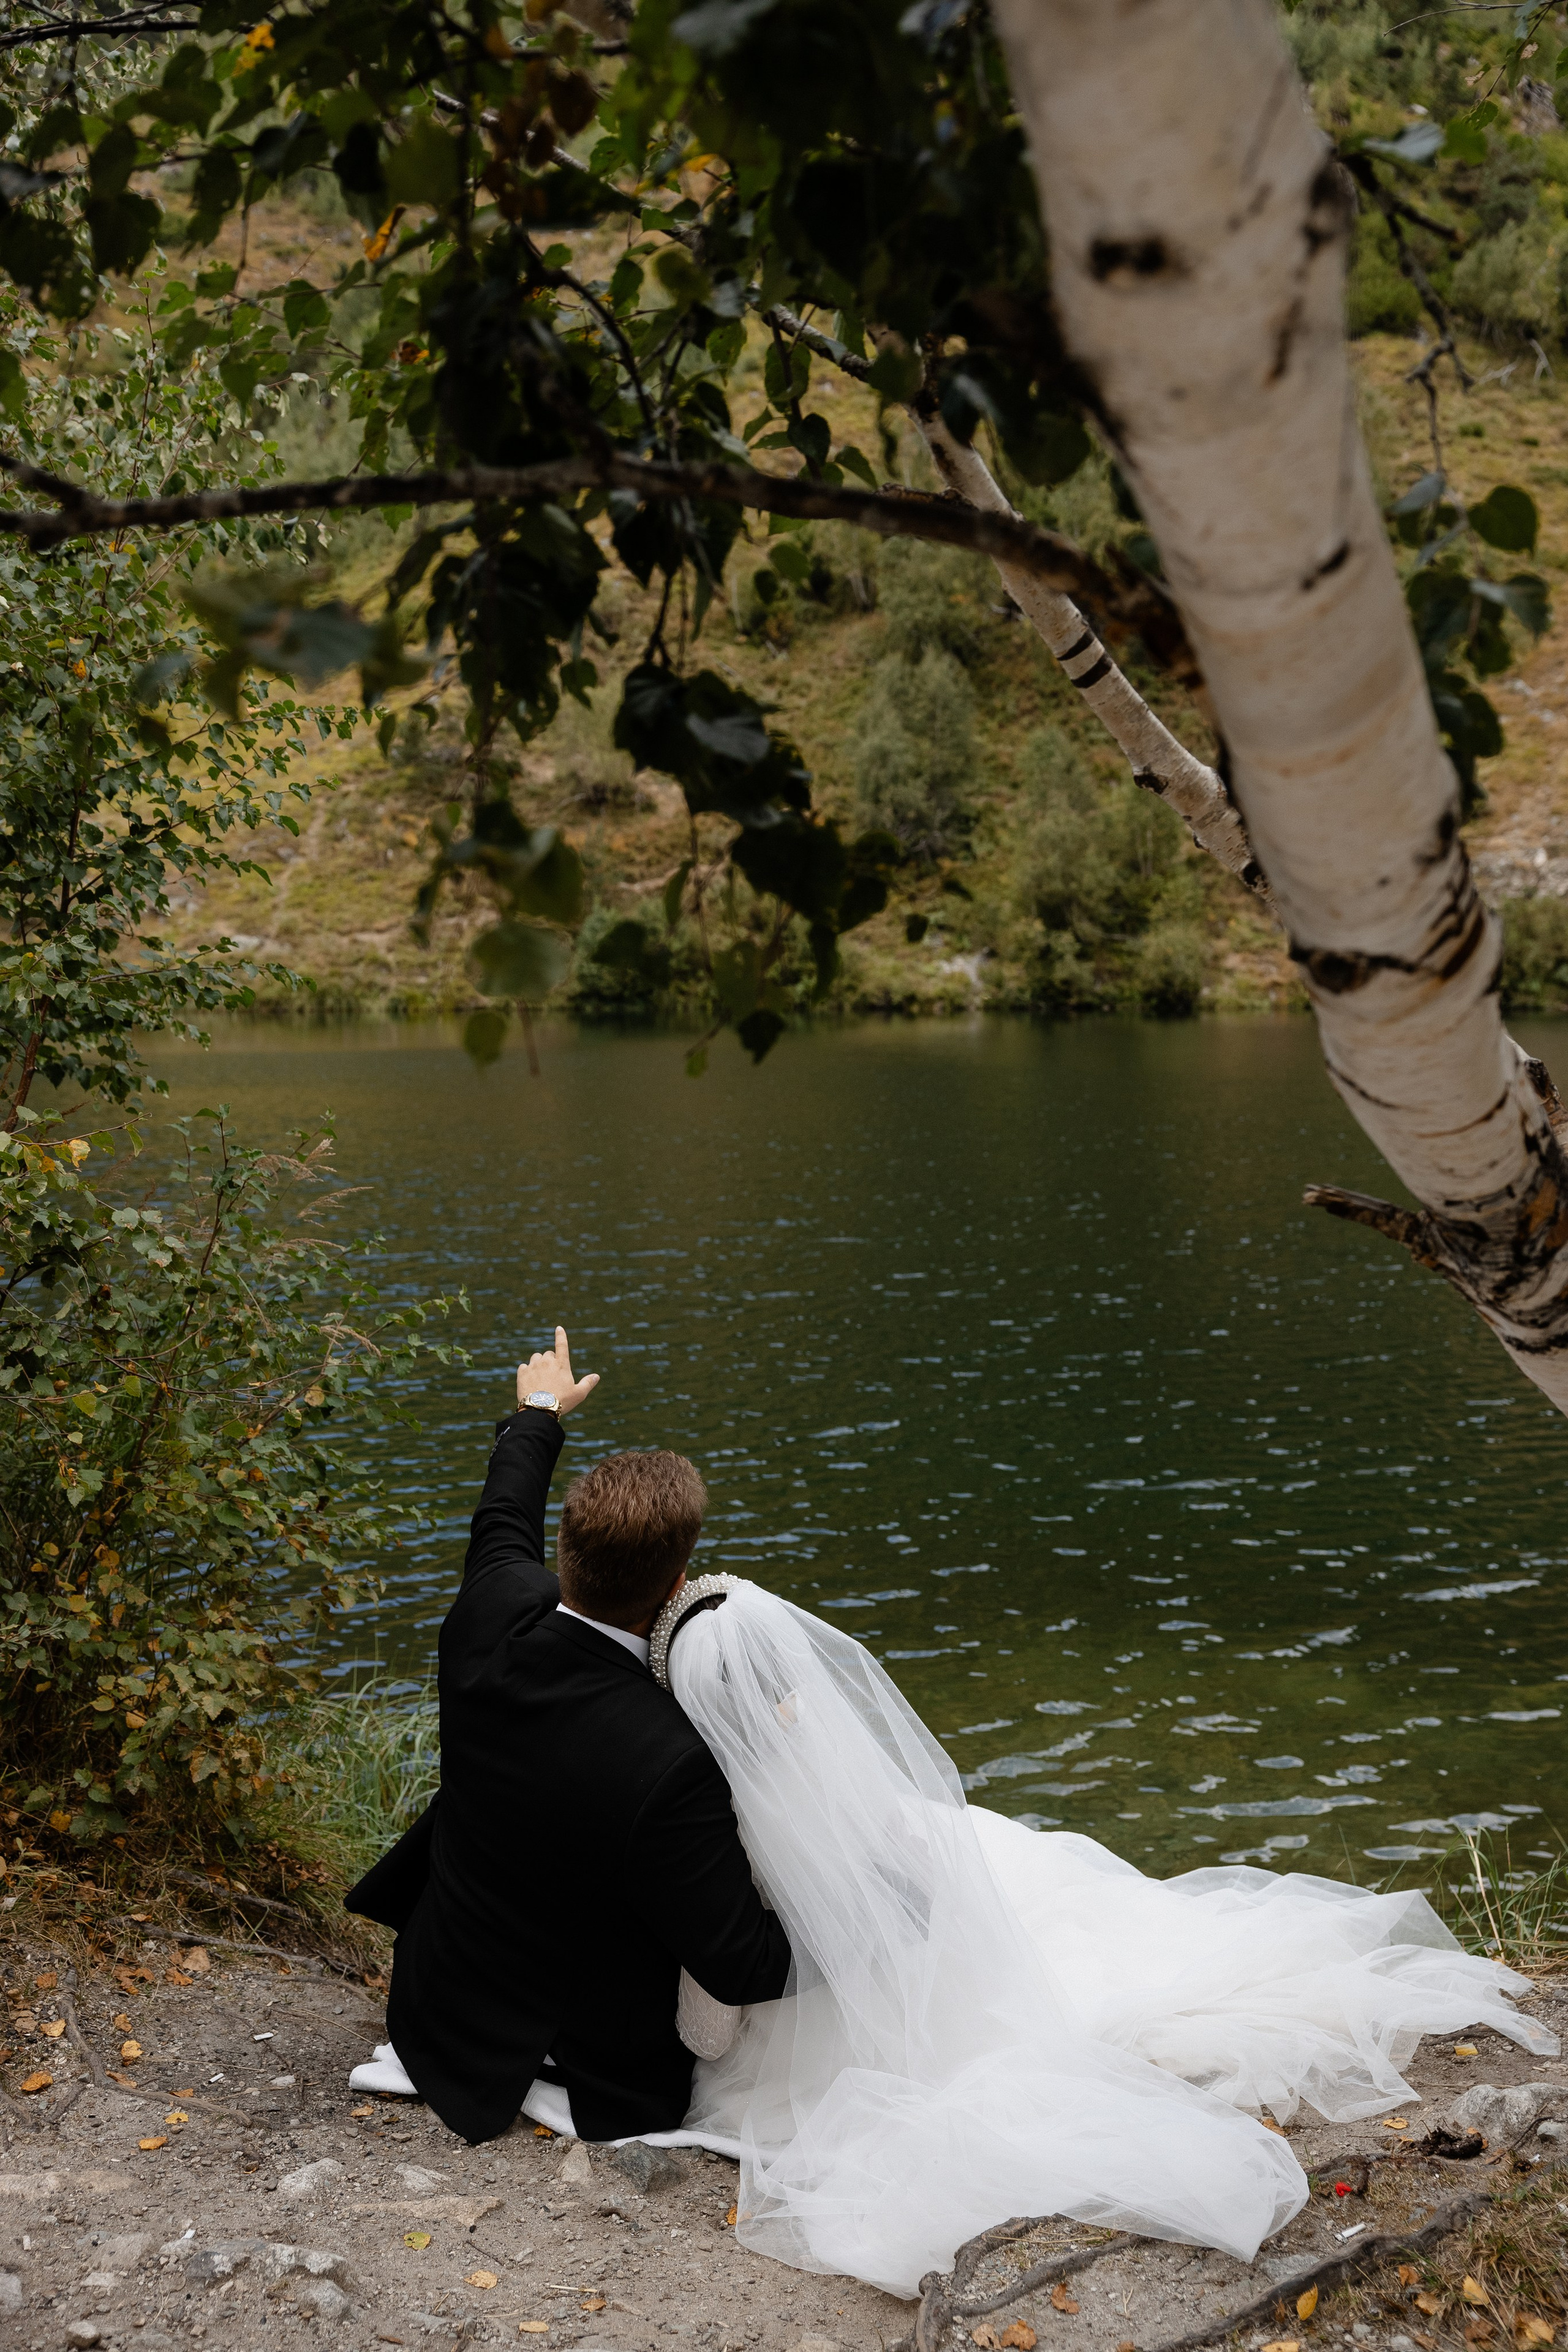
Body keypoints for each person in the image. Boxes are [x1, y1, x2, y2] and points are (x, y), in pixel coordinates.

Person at [650, 1570, 1558, 2299]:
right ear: (790, 1696)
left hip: (813, 2048)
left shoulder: (705, 1821)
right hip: (922, 1970)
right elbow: (912, 1880)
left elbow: (709, 2027)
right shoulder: (835, 1778)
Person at [343, 1329, 792, 2147]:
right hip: (577, 2057)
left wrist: (539, 1412)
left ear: (564, 1550)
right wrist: (861, 1926)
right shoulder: (672, 1759)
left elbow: (503, 1509)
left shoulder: (488, 1616)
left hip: (435, 2001)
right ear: (678, 1584)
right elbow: (744, 1965)